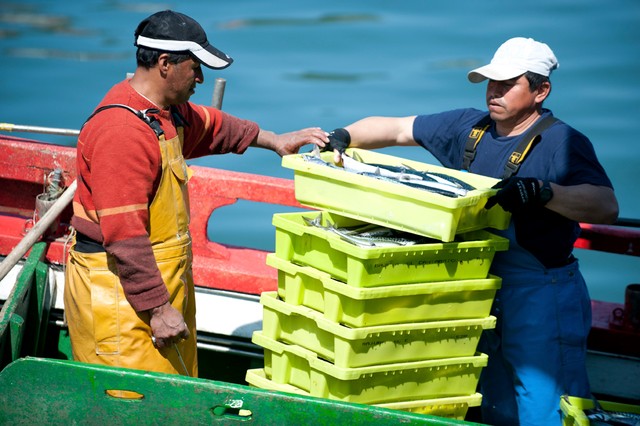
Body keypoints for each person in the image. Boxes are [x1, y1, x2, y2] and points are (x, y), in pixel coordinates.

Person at [322, 37, 618, 425]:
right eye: (490, 81)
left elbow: (605, 205)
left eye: (508, 84)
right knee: (490, 398)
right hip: (474, 287)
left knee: (545, 400)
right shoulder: (469, 126)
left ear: (541, 90)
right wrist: (342, 136)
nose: (494, 92)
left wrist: (543, 192)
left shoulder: (562, 142)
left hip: (540, 293)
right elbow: (395, 129)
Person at [64, 10, 327, 377]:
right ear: (165, 64)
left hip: (161, 285)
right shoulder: (122, 132)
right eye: (196, 67)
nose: (202, 78)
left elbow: (212, 126)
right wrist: (158, 309)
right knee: (130, 404)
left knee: (171, 399)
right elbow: (124, 237)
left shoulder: (165, 113)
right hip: (121, 300)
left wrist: (274, 140)